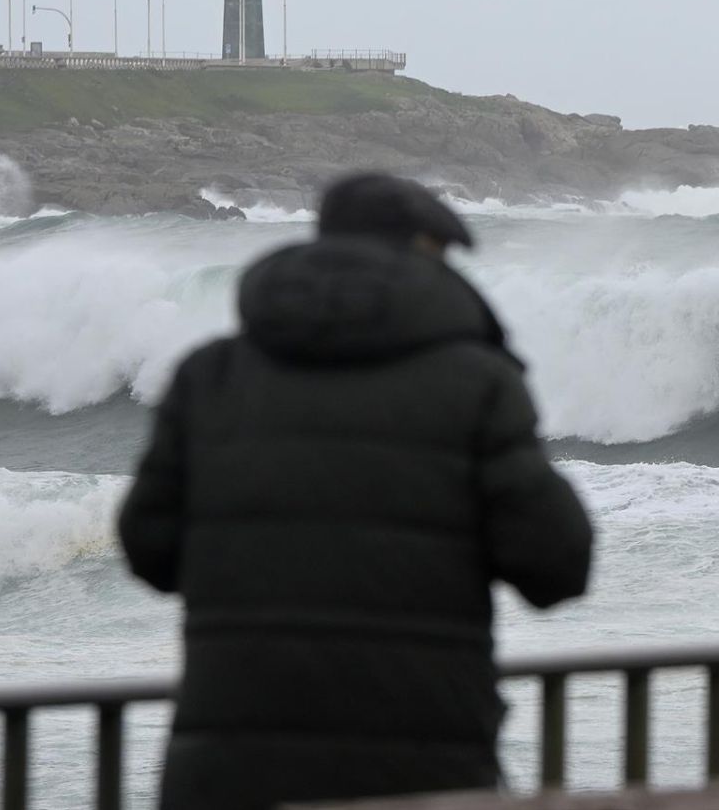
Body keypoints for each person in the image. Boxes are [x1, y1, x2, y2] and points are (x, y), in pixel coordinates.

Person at [118, 173, 595, 810]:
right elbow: (556, 567)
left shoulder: (211, 375)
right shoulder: (477, 383)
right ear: (427, 252)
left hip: (231, 767)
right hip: (421, 768)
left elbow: (149, 548)